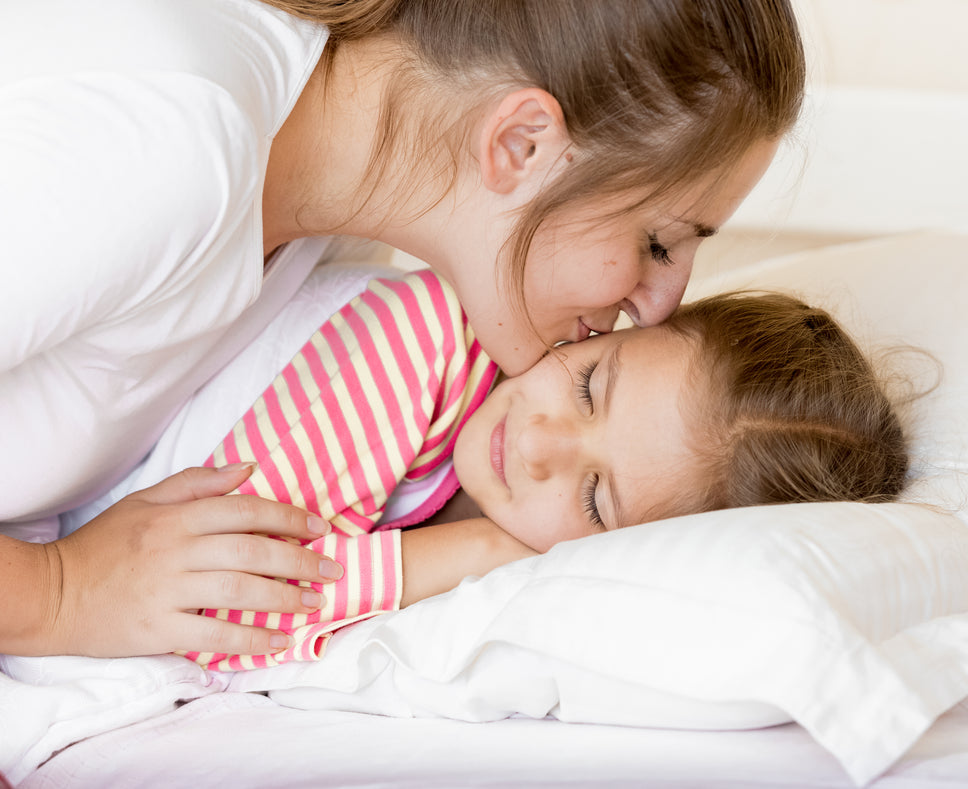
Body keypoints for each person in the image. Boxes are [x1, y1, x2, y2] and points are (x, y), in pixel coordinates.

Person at [0, 0, 805, 659]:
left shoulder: (325, 227)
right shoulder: (164, 153)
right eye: (657, 242)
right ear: (520, 144)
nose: (658, 306)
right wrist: (58, 593)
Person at [168, 267, 906, 670]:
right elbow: (199, 602)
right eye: (588, 384)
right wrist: (484, 546)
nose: (538, 446)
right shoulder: (426, 343)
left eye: (594, 497)